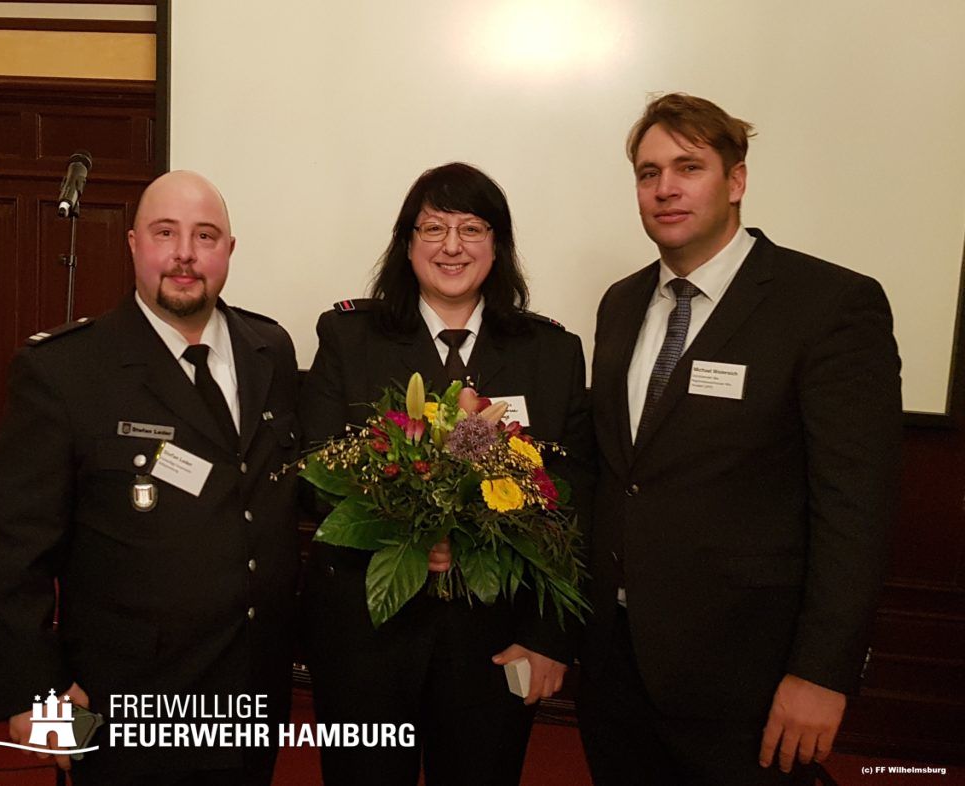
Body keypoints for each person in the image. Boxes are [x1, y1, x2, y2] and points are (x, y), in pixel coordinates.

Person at [580, 93, 902, 786]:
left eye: (688, 166)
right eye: (647, 172)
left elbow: (856, 508)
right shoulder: (622, 302)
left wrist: (822, 672)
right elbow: (623, 476)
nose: (664, 188)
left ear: (737, 180)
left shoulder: (828, 305)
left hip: (747, 679)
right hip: (616, 668)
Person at [0, 170, 303, 785]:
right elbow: (11, 547)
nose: (184, 253)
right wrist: (31, 689)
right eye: (164, 232)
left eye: (205, 236)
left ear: (229, 250)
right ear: (132, 244)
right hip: (122, 701)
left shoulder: (270, 349)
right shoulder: (66, 370)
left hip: (252, 687)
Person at [298, 162, 595, 785]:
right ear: (407, 244)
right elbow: (319, 475)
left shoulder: (552, 353)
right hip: (367, 641)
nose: (452, 246)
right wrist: (403, 533)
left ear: (499, 245)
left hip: (495, 641)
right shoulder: (349, 336)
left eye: (472, 228)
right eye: (433, 228)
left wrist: (549, 639)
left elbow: (576, 504)